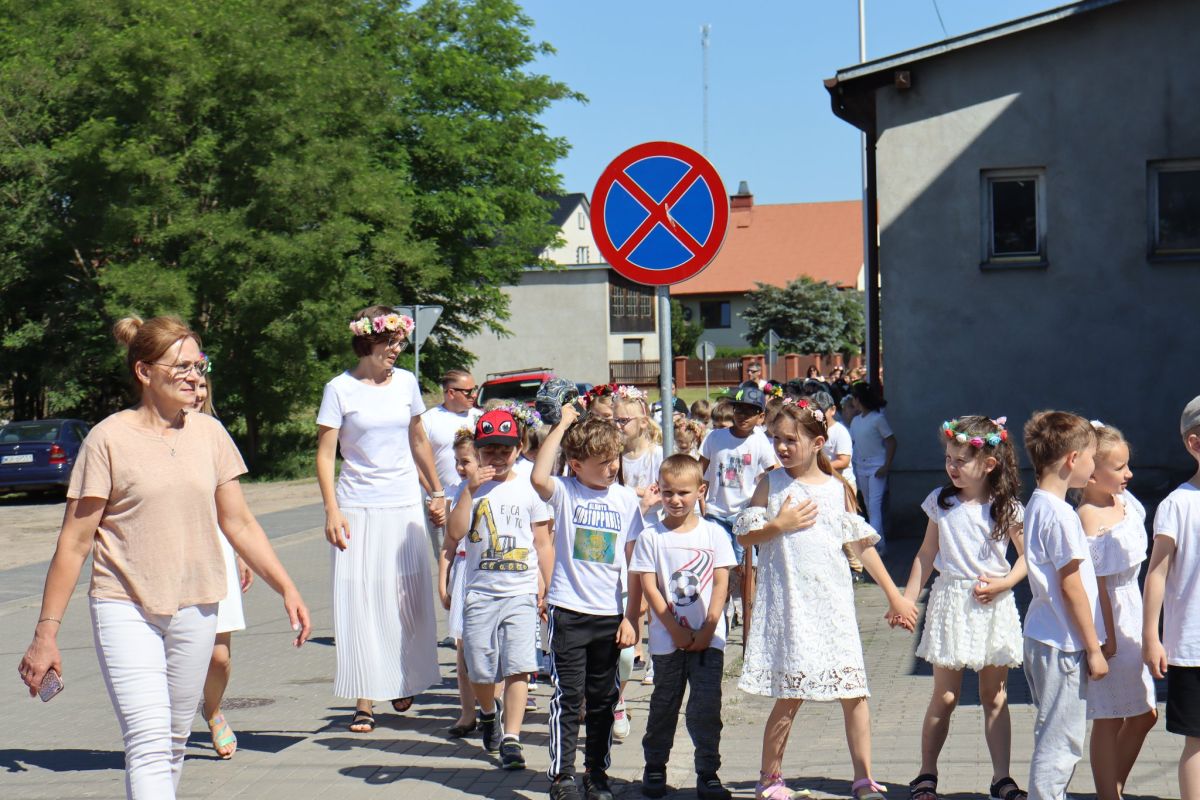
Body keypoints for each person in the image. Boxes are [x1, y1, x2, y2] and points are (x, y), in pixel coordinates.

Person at [17, 315, 311, 800]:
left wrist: (287, 587)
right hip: (125, 605)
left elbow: (238, 522)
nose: (194, 377)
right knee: (149, 742)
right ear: (144, 372)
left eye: (199, 365)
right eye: (181, 367)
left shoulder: (210, 434)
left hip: (198, 604)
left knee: (173, 742)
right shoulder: (107, 439)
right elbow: (74, 542)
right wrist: (45, 634)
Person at [733, 400, 916, 800]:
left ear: (818, 443)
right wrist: (778, 525)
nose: (782, 447)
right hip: (792, 607)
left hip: (832, 607)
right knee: (791, 693)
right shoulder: (771, 484)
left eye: (790, 440)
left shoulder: (837, 490)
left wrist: (895, 595)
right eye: (776, 439)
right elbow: (745, 535)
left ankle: (864, 777)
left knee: (854, 692)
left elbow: (861, 544)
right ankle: (769, 778)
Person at [315, 305, 445, 733]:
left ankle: (404, 676)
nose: (396, 349)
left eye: (399, 342)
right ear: (366, 342)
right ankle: (364, 698)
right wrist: (332, 509)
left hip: (403, 502)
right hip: (357, 505)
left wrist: (437, 491)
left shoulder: (406, 382)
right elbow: (325, 455)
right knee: (362, 599)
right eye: (389, 342)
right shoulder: (339, 389)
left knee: (406, 597)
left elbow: (418, 439)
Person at [902, 416, 1028, 800]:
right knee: (945, 696)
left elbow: (1028, 558)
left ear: (989, 464)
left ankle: (1002, 778)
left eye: (961, 460)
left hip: (993, 604)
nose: (952, 467)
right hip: (951, 602)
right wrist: (907, 599)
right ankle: (926, 773)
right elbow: (926, 553)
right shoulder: (941, 503)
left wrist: (1005, 582)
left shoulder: (1006, 507)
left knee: (995, 695)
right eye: (948, 459)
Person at [531, 403, 643, 800]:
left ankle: (597, 774)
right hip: (569, 611)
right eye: (602, 462)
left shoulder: (625, 499)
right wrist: (563, 423)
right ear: (576, 465)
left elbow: (635, 563)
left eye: (615, 460)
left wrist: (632, 618)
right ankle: (562, 777)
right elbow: (538, 476)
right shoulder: (566, 491)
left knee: (603, 700)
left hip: (609, 615)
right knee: (568, 697)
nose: (612, 468)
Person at [447, 408, 553, 768]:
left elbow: (543, 543)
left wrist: (547, 585)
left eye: (504, 450)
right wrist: (470, 490)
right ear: (477, 450)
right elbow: (455, 532)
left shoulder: (529, 488)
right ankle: (488, 713)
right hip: (480, 593)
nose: (496, 457)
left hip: (520, 592)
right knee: (479, 668)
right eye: (488, 450)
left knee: (519, 666)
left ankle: (512, 738)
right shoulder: (470, 490)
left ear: (519, 448)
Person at [631, 455, 737, 800]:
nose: (675, 500)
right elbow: (650, 587)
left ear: (701, 491)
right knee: (664, 705)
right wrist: (674, 629)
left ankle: (708, 773)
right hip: (667, 640)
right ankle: (654, 766)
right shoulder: (651, 537)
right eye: (668, 492)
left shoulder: (714, 534)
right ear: (659, 491)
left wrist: (709, 627)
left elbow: (721, 583)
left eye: (683, 492)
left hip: (709, 641)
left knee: (706, 708)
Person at [1021, 411, 1107, 800]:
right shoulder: (1059, 515)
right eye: (1091, 457)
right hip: (1063, 643)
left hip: (1045, 636)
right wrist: (1093, 648)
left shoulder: (1040, 505)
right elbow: (1071, 586)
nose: (1094, 466)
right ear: (1072, 459)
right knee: (1061, 741)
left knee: (1053, 731)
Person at [1077, 422, 1157, 800]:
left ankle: (1111, 789)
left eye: (1127, 464)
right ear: (1092, 474)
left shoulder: (1126, 502)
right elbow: (1097, 585)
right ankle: (1109, 793)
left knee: (1144, 713)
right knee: (1110, 715)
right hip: (1109, 615)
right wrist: (1104, 638)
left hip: (1133, 610)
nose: (1129, 474)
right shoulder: (1089, 515)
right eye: (1120, 467)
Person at [191, 374, 255, 760]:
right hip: (171, 554)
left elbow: (234, 507)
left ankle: (212, 710)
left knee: (218, 655)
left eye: (203, 387)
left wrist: (242, 552)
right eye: (191, 385)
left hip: (217, 549)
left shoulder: (214, 433)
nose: (197, 393)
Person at [1142, 395, 1200, 800]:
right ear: (1194, 443)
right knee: (1197, 740)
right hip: (1193, 648)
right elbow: (1157, 573)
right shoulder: (1178, 504)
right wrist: (1151, 635)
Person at [699, 385, 776, 633]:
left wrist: (765, 500)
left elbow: (774, 472)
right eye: (739, 410)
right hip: (716, 512)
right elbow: (700, 471)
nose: (743, 416)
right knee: (719, 567)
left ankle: (749, 617)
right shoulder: (715, 437)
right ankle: (718, 614)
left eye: (751, 412)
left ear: (761, 417)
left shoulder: (759, 441)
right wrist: (699, 501)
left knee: (746, 569)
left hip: (744, 514)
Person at [612, 386, 661, 733]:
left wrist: (640, 498)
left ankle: (654, 657)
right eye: (615, 420)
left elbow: (661, 492)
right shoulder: (613, 456)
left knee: (649, 604)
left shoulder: (655, 454)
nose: (618, 426)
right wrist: (638, 497)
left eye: (624, 420)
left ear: (642, 421)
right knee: (629, 609)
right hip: (621, 540)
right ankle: (615, 697)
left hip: (650, 536)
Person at [439, 429, 482, 737]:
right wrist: (443, 581)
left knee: (490, 647)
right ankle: (467, 712)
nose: (459, 467)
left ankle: (494, 708)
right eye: (456, 461)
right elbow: (449, 543)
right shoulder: (456, 493)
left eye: (465, 461)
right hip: (464, 569)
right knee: (462, 647)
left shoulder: (494, 491)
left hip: (488, 570)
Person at [849, 382, 896, 552]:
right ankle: (880, 545)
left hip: (877, 467)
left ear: (858, 399)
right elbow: (853, 444)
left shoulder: (877, 418)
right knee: (869, 507)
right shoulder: (855, 421)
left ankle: (874, 546)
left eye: (854, 398)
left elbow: (891, 441)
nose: (852, 402)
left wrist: (886, 465)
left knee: (874, 507)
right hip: (862, 467)